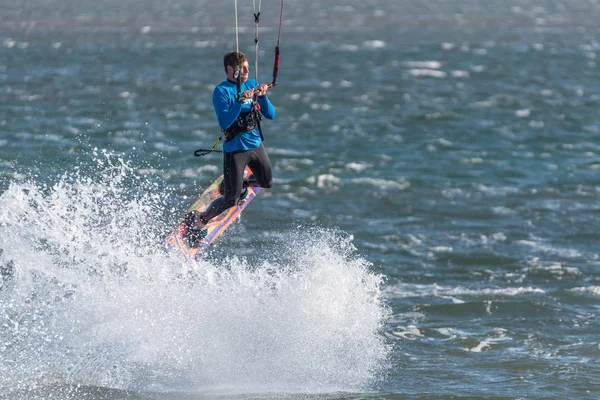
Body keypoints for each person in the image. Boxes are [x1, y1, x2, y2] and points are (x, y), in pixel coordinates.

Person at [184, 51, 276, 244]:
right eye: (241, 68)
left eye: (247, 67)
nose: (246, 71)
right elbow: (225, 122)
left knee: (266, 181)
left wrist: (263, 96)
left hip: (256, 144)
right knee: (230, 201)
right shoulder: (221, 91)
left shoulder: (251, 84)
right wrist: (240, 102)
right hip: (236, 149)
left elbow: (271, 115)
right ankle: (199, 220)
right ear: (230, 70)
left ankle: (239, 183)